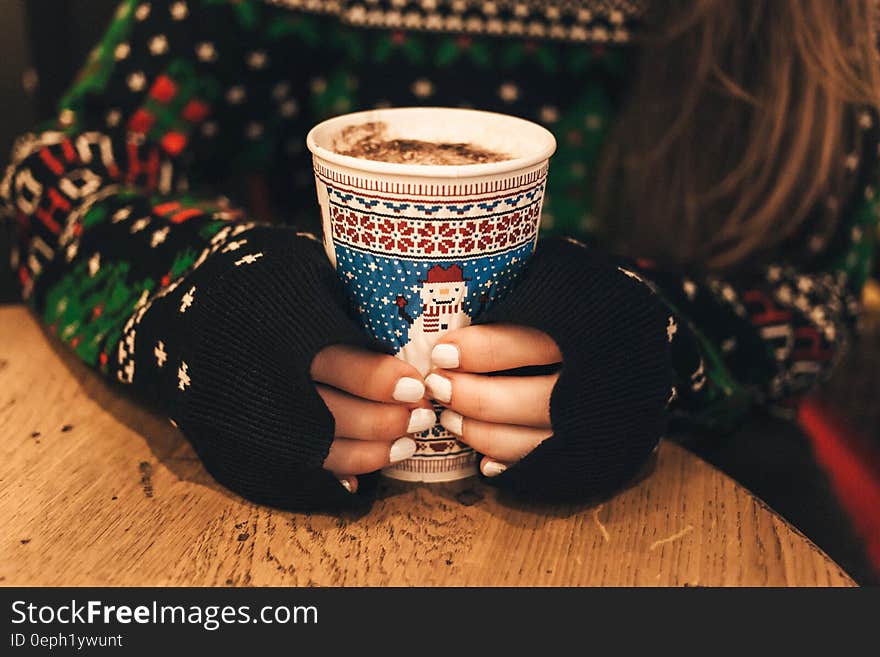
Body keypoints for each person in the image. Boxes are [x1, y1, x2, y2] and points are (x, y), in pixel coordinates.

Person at [1, 0, 876, 510]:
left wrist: (659, 347)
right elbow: (59, 174)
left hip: (697, 484)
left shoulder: (798, 28)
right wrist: (205, 296)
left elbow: (810, 303)